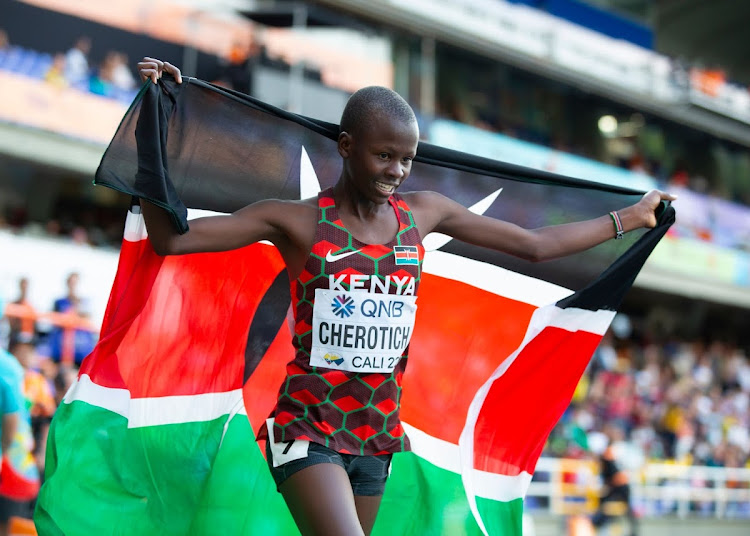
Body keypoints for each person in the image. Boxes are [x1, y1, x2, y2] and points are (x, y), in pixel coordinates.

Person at [136, 57, 675, 536]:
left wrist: (629, 218)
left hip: (377, 436)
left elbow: (535, 246)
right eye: (384, 156)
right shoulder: (296, 221)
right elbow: (172, 238)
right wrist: (153, 122)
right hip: (308, 426)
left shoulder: (424, 214)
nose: (396, 171)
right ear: (346, 147)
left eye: (407, 160)